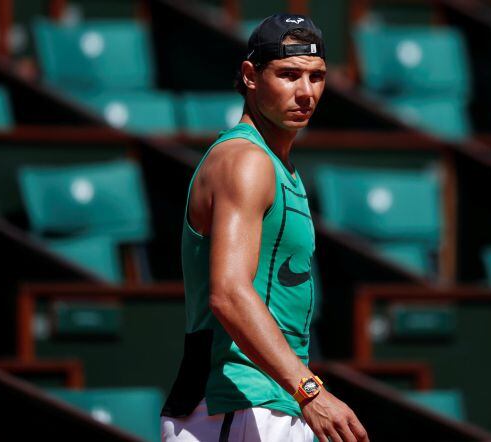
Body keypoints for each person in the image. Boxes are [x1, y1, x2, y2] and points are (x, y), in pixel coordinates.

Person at [160, 13, 368, 442]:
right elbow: (229, 292)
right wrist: (310, 391)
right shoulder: (245, 161)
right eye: (289, 75)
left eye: (317, 77)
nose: (306, 92)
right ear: (251, 76)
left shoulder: (278, 166)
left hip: (274, 399)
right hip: (233, 402)